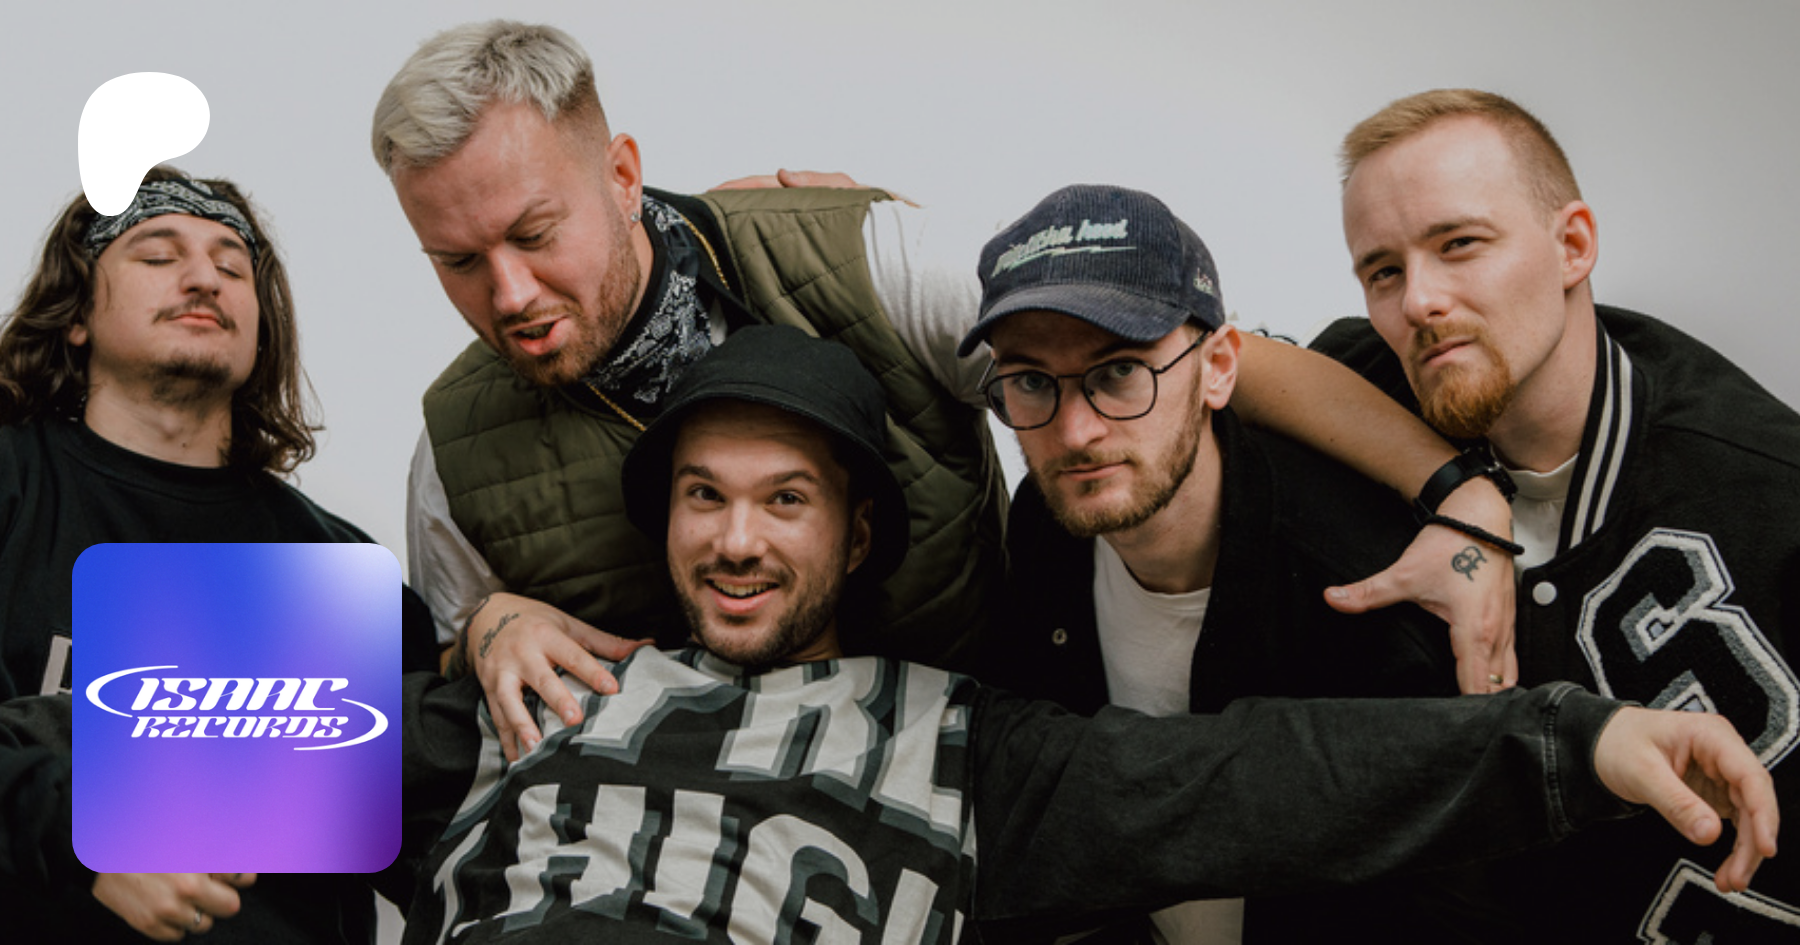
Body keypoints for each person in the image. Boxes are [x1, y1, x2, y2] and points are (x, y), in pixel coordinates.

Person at [388, 324, 1777, 944]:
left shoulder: (953, 742)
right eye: (704, 496)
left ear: (857, 538)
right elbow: (253, 748)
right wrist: (473, 622)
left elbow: (1262, 776)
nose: (736, 539)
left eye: (786, 500)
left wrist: (1577, 739)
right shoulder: (546, 685)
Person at [375, 20, 1521, 763]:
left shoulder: (862, 257)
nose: (508, 292)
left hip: (979, 772)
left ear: (623, 174)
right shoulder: (454, 449)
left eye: (536, 233)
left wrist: (1457, 492)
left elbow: (1168, 353)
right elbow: (443, 682)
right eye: (456, 261)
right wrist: (486, 626)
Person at [1302, 88, 1800, 940]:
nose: (1418, 300)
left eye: (1459, 244)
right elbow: (1230, 364)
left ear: (1573, 245)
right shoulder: (1377, 388)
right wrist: (1461, 490)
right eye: (1383, 271)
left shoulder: (1763, 487)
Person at [960, 184, 1488, 943]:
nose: (1075, 433)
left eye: (1118, 371)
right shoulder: (1049, 525)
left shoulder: (1363, 587)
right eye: (1033, 382)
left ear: (1218, 367)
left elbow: (1452, 889)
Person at [0, 168, 417, 943]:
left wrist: (492, 626)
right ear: (77, 313)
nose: (203, 279)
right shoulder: (13, 488)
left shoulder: (335, 565)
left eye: (232, 266)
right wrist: (80, 822)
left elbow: (434, 812)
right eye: (159, 256)